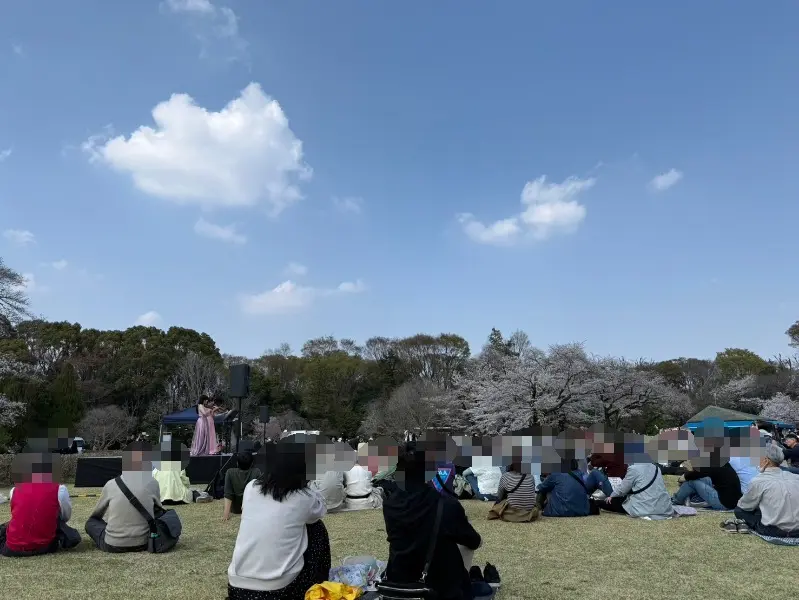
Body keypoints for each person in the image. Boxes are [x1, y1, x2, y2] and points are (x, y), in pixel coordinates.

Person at [227, 442, 330, 600]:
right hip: (279, 589)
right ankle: (318, 585)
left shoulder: (251, 488)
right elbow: (321, 510)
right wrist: (309, 486)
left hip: (237, 586)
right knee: (316, 528)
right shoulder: (303, 498)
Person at [383, 442, 482, 600]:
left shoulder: (389, 504)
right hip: (442, 586)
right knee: (461, 545)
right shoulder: (446, 504)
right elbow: (473, 541)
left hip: (400, 579)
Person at [85, 441, 167, 552]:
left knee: (90, 523)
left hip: (113, 544)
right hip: (145, 542)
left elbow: (96, 515)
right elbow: (158, 511)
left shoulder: (111, 484)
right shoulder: (153, 483)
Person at [0, 450, 80, 557]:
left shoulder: (15, 490)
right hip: (46, 547)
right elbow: (65, 516)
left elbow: (17, 514)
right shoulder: (59, 489)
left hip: (12, 549)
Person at [723, 444, 799, 535]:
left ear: (766, 460)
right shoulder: (795, 477)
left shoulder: (759, 481)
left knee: (739, 510)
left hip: (776, 531)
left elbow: (744, 506)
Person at [595, 462, 674, 519]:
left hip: (644, 507)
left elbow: (623, 489)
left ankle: (595, 503)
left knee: (608, 502)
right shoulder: (656, 468)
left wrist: (612, 495)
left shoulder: (634, 469)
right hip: (663, 506)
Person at [536, 460, 605, 517]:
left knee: (545, 489)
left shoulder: (556, 474)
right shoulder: (580, 474)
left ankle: (538, 507)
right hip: (581, 510)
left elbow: (542, 487)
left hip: (559, 510)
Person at [672, 457, 742, 510]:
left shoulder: (711, 464)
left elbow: (691, 476)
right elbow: (700, 474)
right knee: (703, 479)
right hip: (734, 502)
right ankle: (686, 497)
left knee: (691, 482)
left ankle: (676, 500)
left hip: (724, 504)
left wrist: (682, 478)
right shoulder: (721, 463)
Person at [223, 451, 263, 520]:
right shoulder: (256, 472)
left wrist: (226, 514)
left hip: (235, 510)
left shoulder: (230, 472)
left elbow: (228, 494)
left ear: (237, 463)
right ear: (252, 463)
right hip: (251, 510)